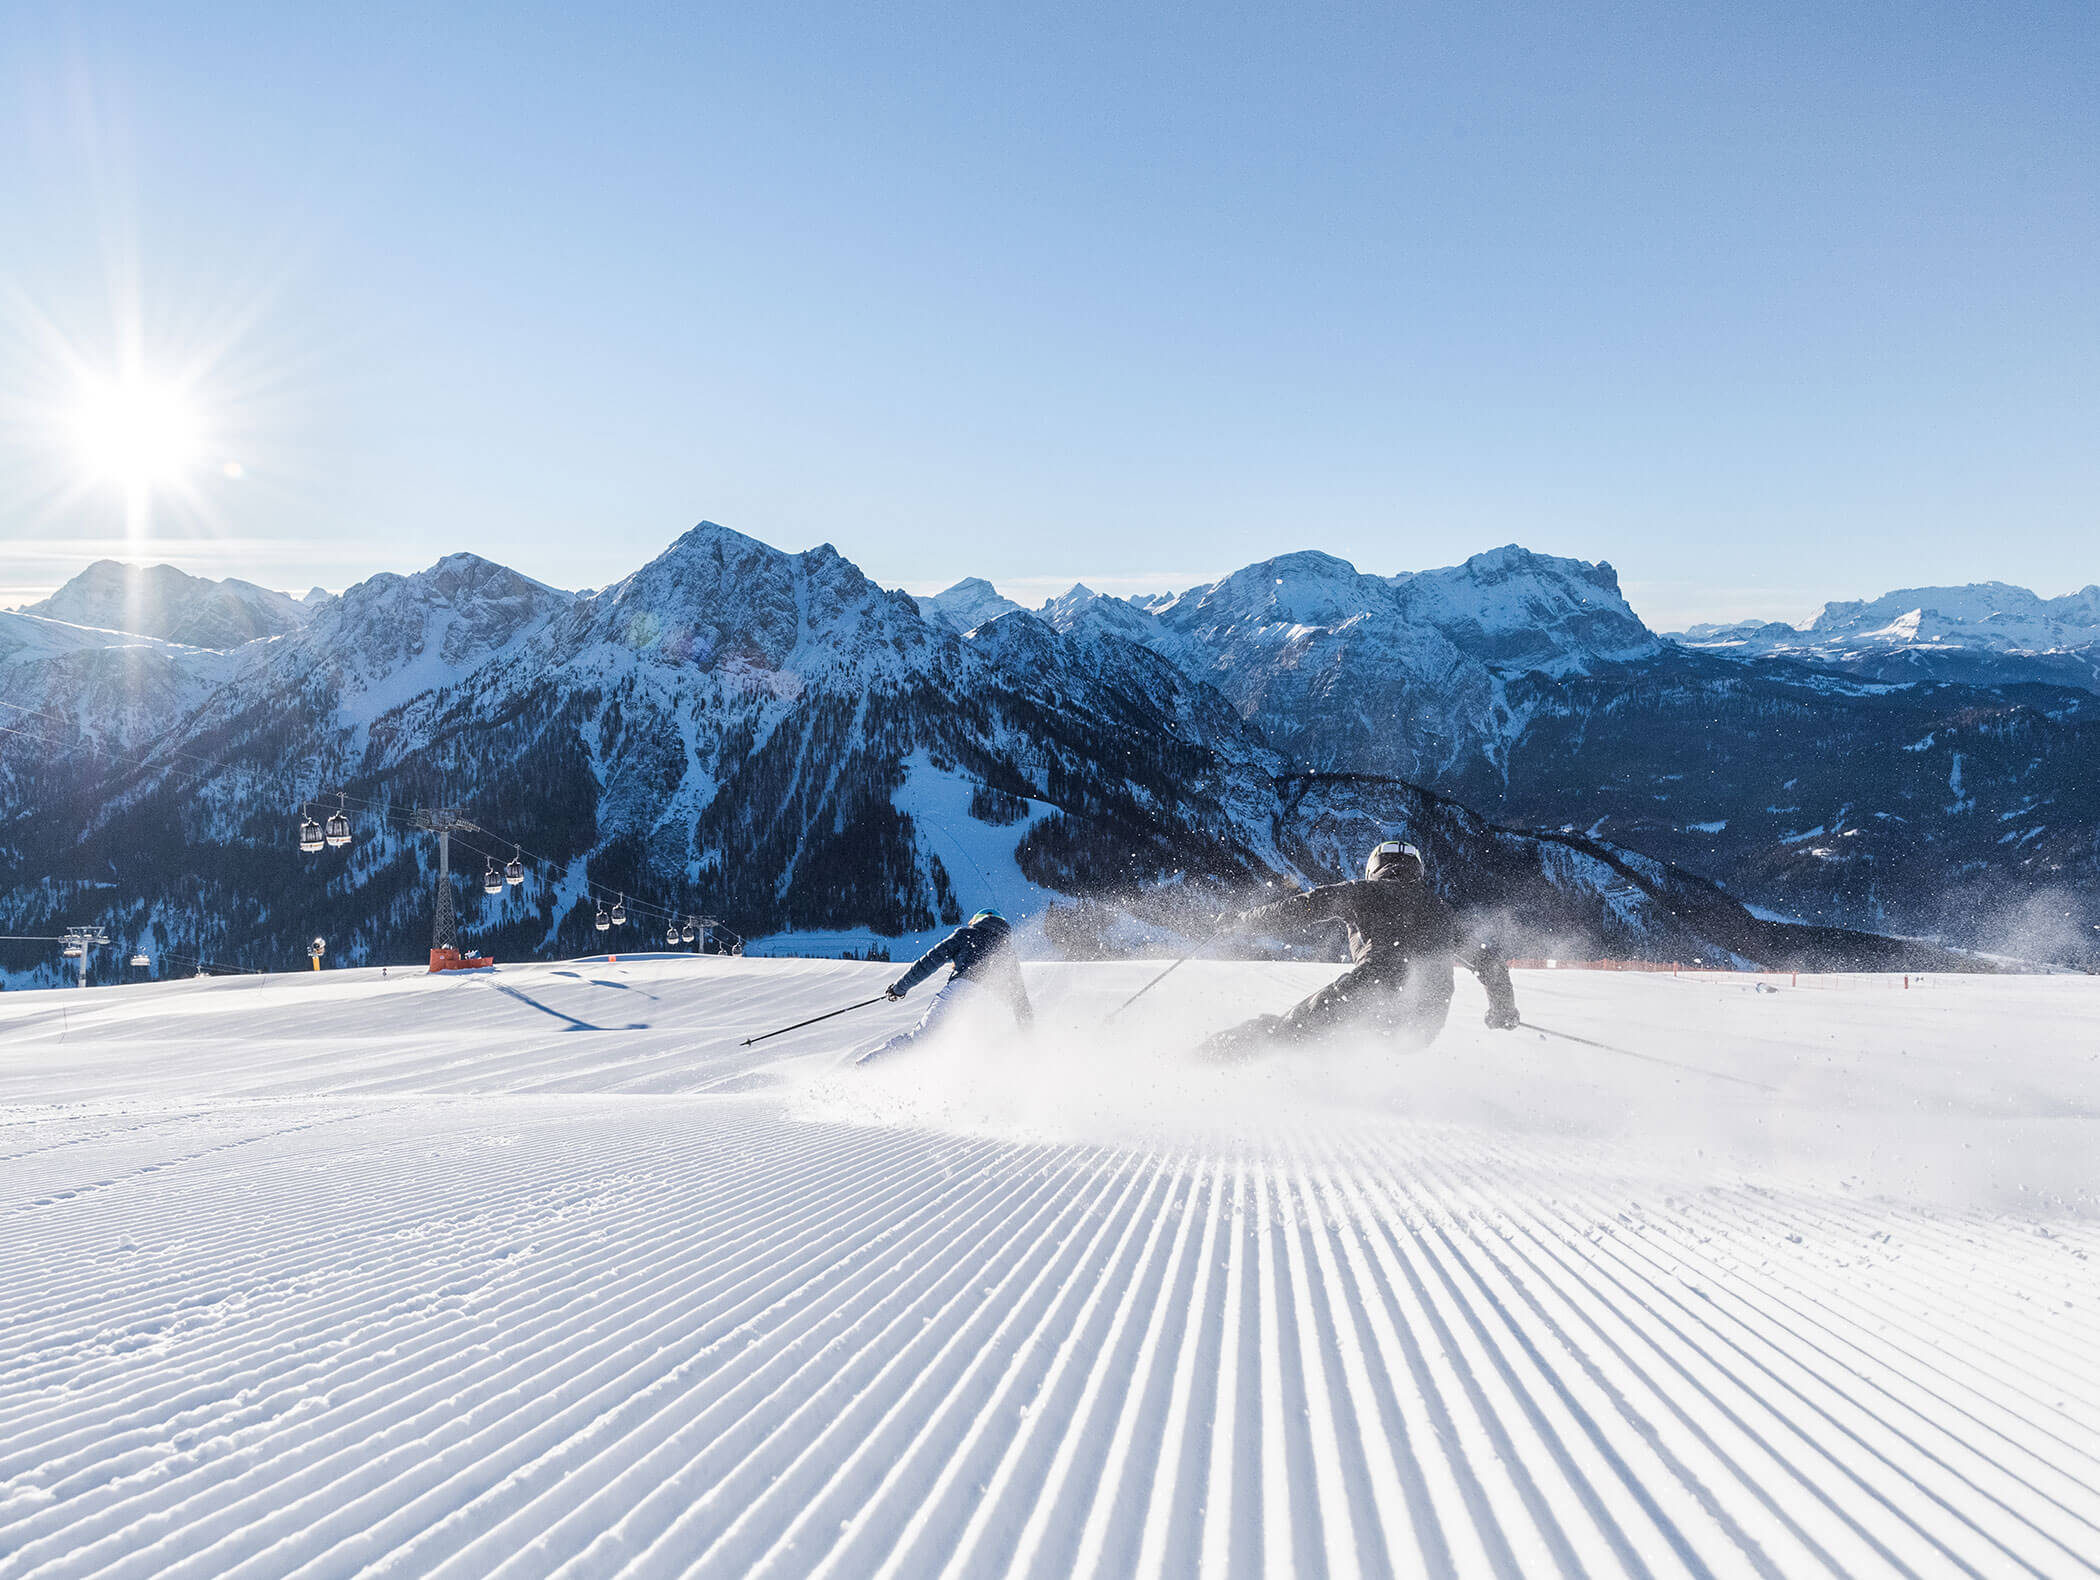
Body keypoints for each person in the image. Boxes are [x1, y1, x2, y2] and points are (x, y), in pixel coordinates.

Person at [1199, 840, 1520, 1060]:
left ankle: (1202, 1061)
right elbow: (1491, 963)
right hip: (1426, 1020)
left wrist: (1241, 921)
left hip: (1371, 991)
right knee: (1346, 1047)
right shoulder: (1442, 911)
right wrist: (1502, 1010)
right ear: (1417, 871)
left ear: (1374, 868)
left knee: (1285, 1033)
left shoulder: (1362, 893)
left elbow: (1298, 909)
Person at [856, 908, 1034, 1064]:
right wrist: (1029, 1038)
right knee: (966, 1055)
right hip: (987, 1006)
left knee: (920, 1042)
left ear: (977, 920)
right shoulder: (1007, 951)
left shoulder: (966, 934)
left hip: (962, 991)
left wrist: (899, 988)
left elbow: (928, 962)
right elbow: (1020, 999)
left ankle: (865, 1067)